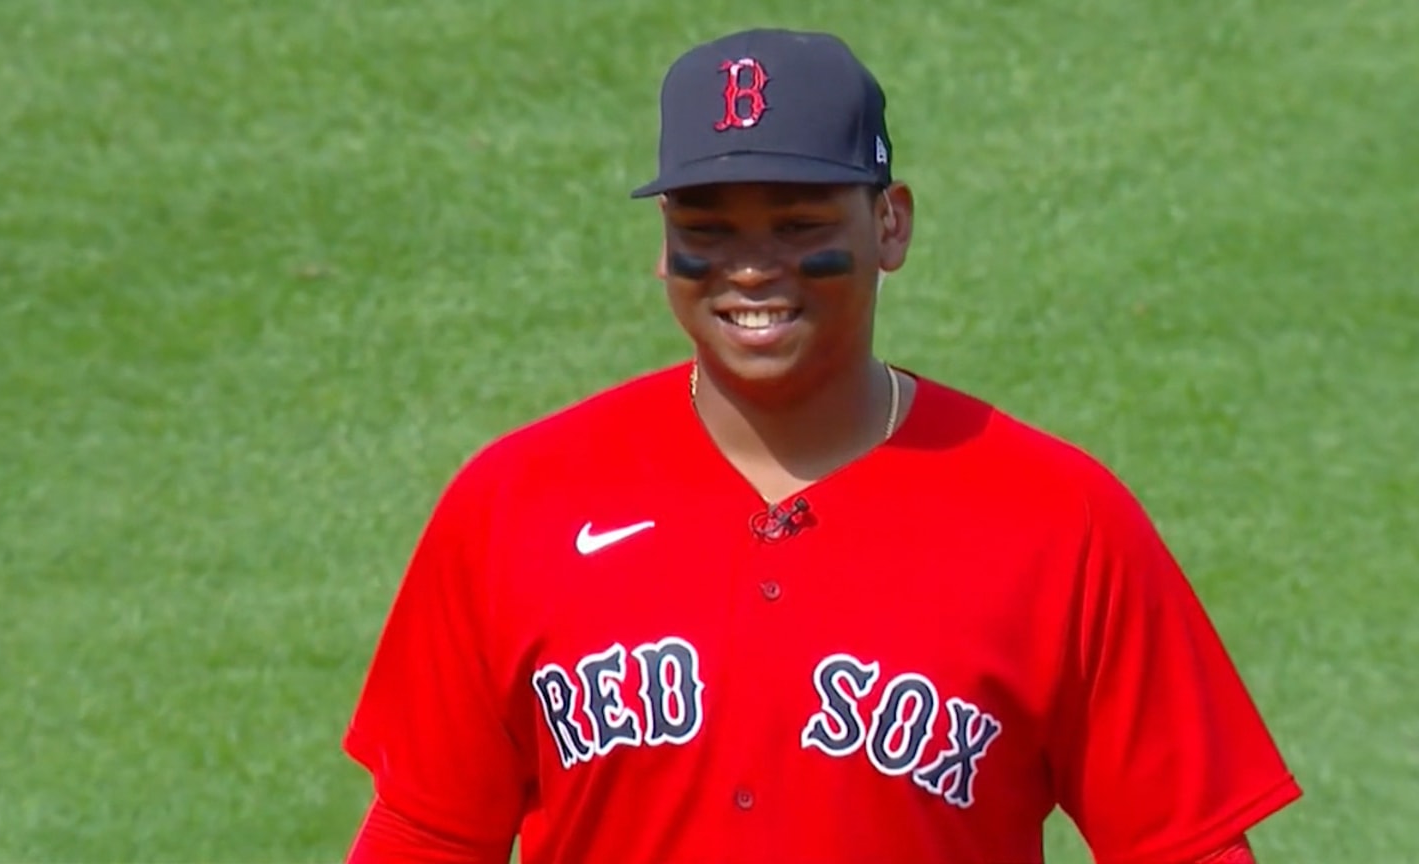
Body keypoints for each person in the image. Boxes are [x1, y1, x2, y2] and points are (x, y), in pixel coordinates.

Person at [340, 27, 1301, 864]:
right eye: (707, 231)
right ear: (661, 243)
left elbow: (1186, 847)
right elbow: (428, 837)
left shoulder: (1059, 520)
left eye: (800, 226)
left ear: (890, 225)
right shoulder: (518, 503)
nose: (752, 270)